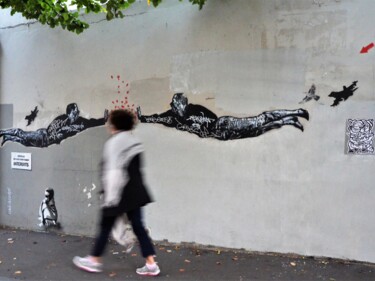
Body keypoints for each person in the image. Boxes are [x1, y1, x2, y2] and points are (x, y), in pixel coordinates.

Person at [73, 109, 160, 276]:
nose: (108, 125)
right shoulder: (135, 141)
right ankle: (151, 264)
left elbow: (113, 173)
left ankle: (93, 260)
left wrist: (110, 199)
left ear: (115, 125)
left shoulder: (114, 143)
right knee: (138, 227)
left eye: (110, 122)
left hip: (119, 193)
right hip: (136, 192)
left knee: (105, 226)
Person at [137, 93, 309, 140]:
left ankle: (295, 112)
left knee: (258, 121)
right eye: (174, 105)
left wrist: (202, 126)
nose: (175, 107)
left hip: (223, 125)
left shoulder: (194, 108)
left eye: (178, 104)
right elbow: (157, 118)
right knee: (257, 131)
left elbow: (211, 117)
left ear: (184, 103)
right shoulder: (172, 118)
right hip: (221, 136)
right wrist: (142, 118)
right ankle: (287, 121)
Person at [0, 103, 108, 147]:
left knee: (24, 142)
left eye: (77, 112)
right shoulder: (61, 119)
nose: (77, 113)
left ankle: (7, 137)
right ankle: (3, 132)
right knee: (22, 135)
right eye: (75, 112)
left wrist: (103, 120)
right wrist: (60, 135)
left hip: (45, 143)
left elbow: (91, 123)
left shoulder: (80, 122)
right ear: (69, 113)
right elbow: (51, 131)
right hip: (42, 136)